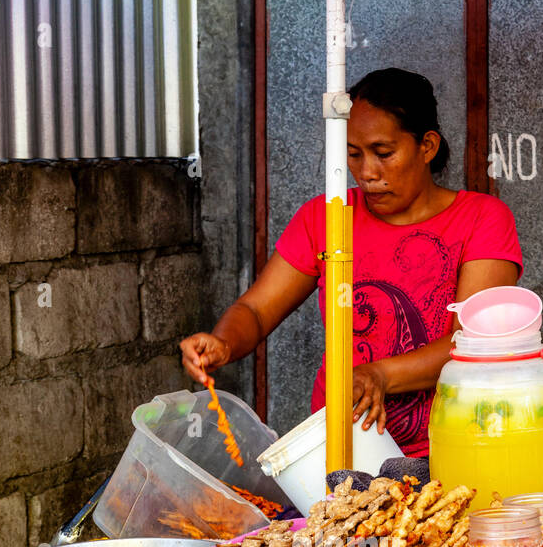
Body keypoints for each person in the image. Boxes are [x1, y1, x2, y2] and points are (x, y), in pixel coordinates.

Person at [180, 67, 523, 458]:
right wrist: (223, 342)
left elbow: (474, 342)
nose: (367, 173)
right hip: (343, 448)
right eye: (354, 155)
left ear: (426, 146)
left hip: (453, 447)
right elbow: (256, 311)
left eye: (384, 153)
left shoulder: (482, 218)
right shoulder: (326, 217)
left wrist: (381, 374)